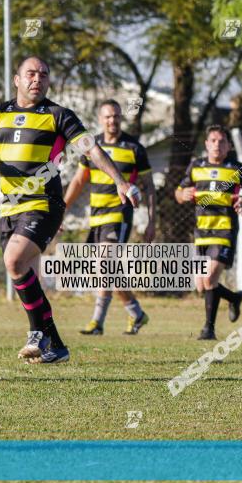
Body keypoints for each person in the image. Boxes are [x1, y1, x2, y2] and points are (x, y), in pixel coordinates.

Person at [0, 56, 140, 363]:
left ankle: (37, 334)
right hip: (10, 208)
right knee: (23, 271)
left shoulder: (58, 115)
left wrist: (120, 181)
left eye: (43, 74)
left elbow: (91, 148)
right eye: (30, 73)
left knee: (14, 259)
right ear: (17, 79)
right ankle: (56, 345)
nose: (37, 79)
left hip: (45, 204)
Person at [64, 99, 155, 335]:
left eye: (115, 116)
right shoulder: (91, 146)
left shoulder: (134, 147)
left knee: (104, 265)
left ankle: (97, 322)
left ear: (120, 118)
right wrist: (62, 209)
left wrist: (152, 221)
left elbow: (150, 187)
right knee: (107, 270)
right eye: (107, 116)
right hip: (96, 217)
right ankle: (137, 313)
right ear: (100, 119)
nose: (112, 120)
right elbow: (78, 180)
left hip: (119, 215)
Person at [175, 125, 242, 340]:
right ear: (206, 144)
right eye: (213, 140)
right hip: (201, 231)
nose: (217, 145)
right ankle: (234, 298)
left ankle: (208, 329)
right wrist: (183, 194)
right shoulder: (196, 166)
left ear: (229, 145)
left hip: (225, 230)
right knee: (201, 285)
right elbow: (178, 192)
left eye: (222, 141)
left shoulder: (237, 168)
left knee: (210, 277)